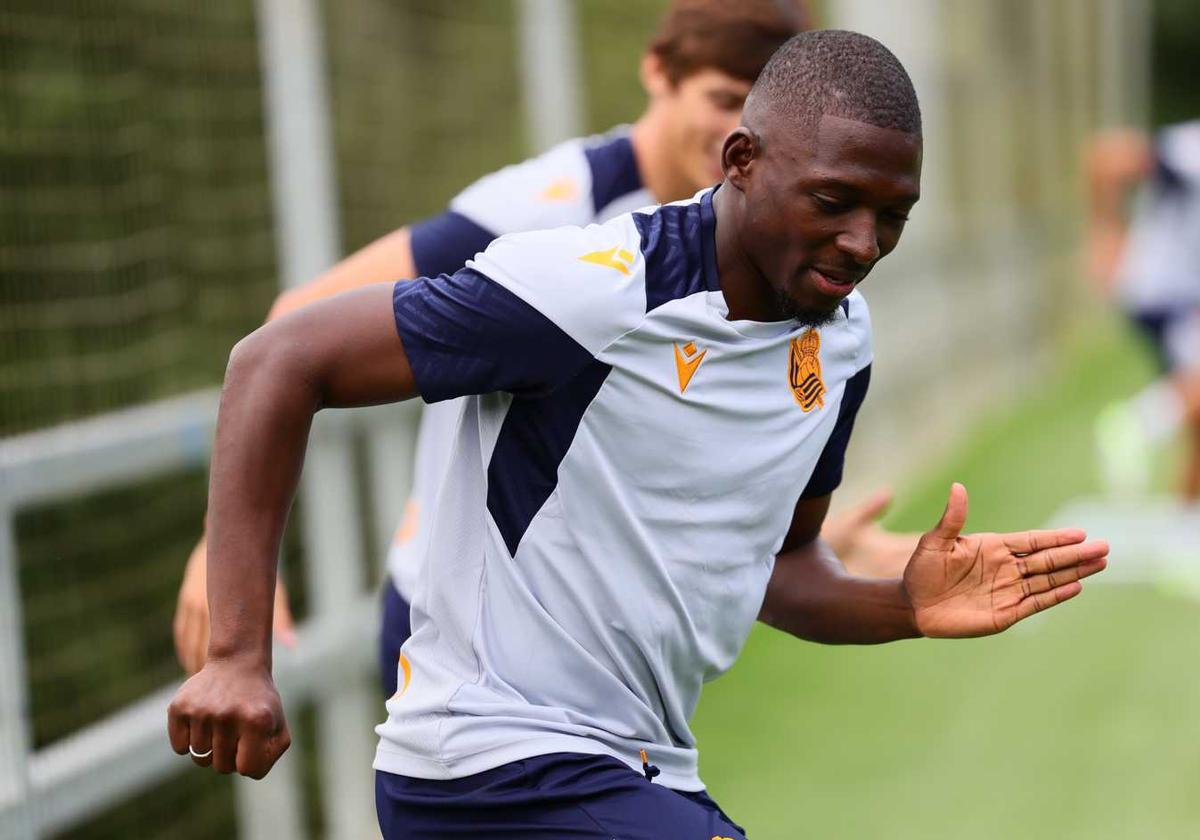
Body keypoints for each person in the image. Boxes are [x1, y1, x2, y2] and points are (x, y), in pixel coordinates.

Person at [167, 31, 1108, 838]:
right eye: (833, 202)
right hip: (487, 760)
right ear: (740, 161)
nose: (864, 242)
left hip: (640, 769)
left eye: (891, 216)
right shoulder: (599, 286)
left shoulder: (843, 343)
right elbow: (278, 359)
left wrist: (902, 604)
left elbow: (780, 571)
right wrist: (238, 656)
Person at [171, 0, 919, 689]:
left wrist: (792, 550)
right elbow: (302, 324)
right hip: (459, 620)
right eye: (725, 100)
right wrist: (224, 552)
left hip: (595, 647)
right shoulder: (554, 210)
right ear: (660, 73)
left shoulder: (765, 263)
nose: (733, 130)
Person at [1088, 121, 1200, 502]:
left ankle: (1185, 526)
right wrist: (1106, 234)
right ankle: (1138, 423)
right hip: (1167, 296)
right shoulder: (1189, 149)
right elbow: (1106, 159)